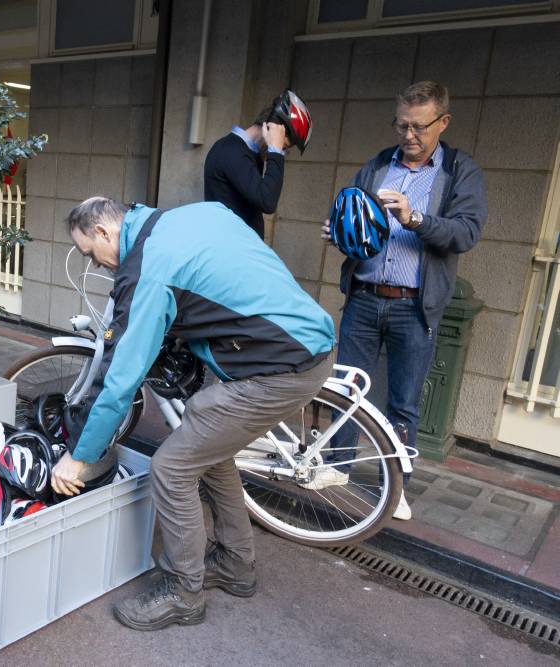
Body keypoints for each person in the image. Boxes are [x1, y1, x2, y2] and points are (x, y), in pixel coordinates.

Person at [50, 196, 335, 631]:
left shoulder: (151, 269)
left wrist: (81, 455)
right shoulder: (188, 215)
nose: (100, 266)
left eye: (92, 254)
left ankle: (183, 592)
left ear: (106, 232)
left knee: (172, 467)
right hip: (300, 343)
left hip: (281, 367)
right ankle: (236, 564)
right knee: (206, 445)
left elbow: (121, 379)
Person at [317, 81, 487, 520]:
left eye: (419, 127)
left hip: (416, 305)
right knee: (346, 387)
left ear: (443, 122)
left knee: (404, 402)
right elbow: (352, 213)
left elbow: (466, 232)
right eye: (402, 125)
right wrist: (340, 232)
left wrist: (416, 218)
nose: (409, 135)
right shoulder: (378, 165)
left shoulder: (459, 172)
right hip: (365, 297)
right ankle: (335, 468)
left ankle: (397, 488)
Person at [203, 90, 312, 239]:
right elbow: (267, 201)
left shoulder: (249, 155)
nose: (282, 152)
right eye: (284, 147)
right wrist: (275, 150)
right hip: (226, 253)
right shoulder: (232, 152)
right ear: (272, 127)